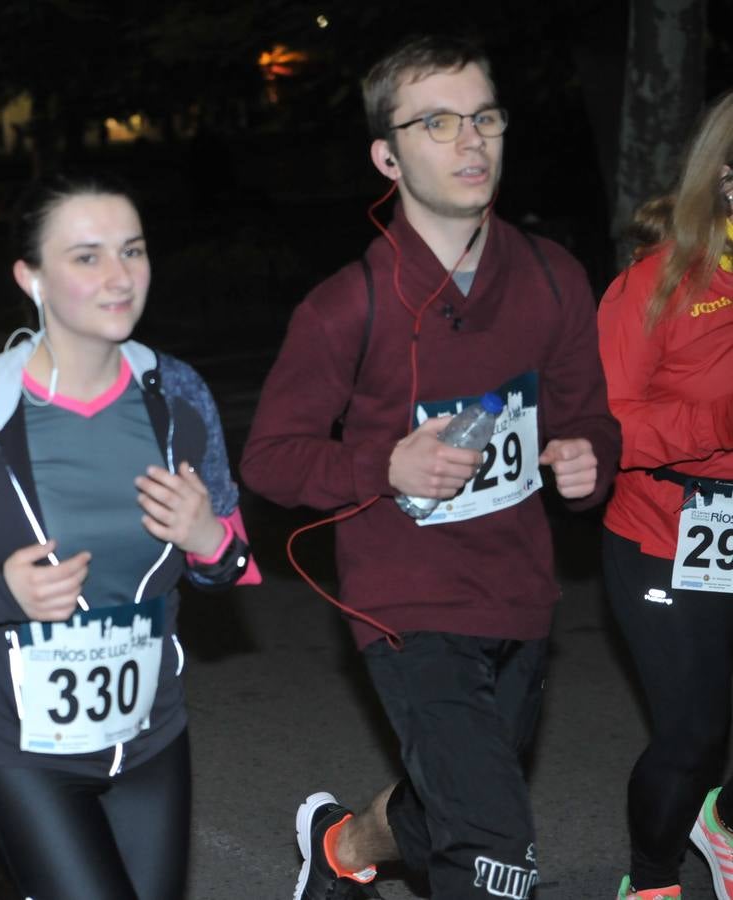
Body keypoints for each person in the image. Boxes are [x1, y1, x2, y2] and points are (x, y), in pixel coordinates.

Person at [240, 35, 620, 899]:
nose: (470, 140)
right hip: (403, 598)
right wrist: (387, 465)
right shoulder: (348, 307)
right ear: (387, 154)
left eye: (483, 117)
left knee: (453, 797)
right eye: (437, 122)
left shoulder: (554, 278)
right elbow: (269, 460)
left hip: (520, 590)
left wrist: (585, 458)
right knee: (492, 841)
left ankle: (341, 848)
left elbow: (590, 418)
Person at [0, 173, 258, 899]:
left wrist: (208, 540)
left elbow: (229, 562)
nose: (119, 277)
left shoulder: (180, 398)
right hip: (21, 752)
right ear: (31, 276)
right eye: (87, 257)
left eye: (132, 251)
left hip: (152, 737)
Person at [597, 91, 733, 900]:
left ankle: (720, 829)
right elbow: (608, 426)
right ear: (724, 179)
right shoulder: (659, 285)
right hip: (667, 530)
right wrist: (721, 420)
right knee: (691, 737)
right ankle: (651, 881)